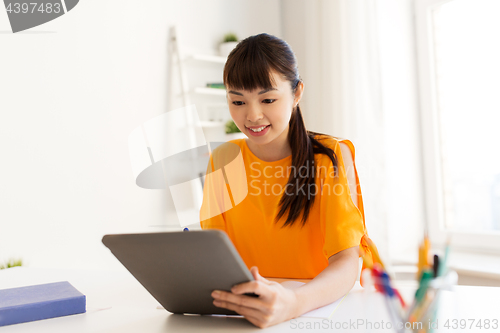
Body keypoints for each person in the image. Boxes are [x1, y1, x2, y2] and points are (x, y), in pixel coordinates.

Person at [199, 33, 376, 328]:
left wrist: (292, 304)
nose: (252, 115)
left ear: (296, 93)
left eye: (268, 99)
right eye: (238, 101)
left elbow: (347, 263)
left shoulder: (329, 156)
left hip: (318, 311)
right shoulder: (223, 159)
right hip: (250, 312)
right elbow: (216, 257)